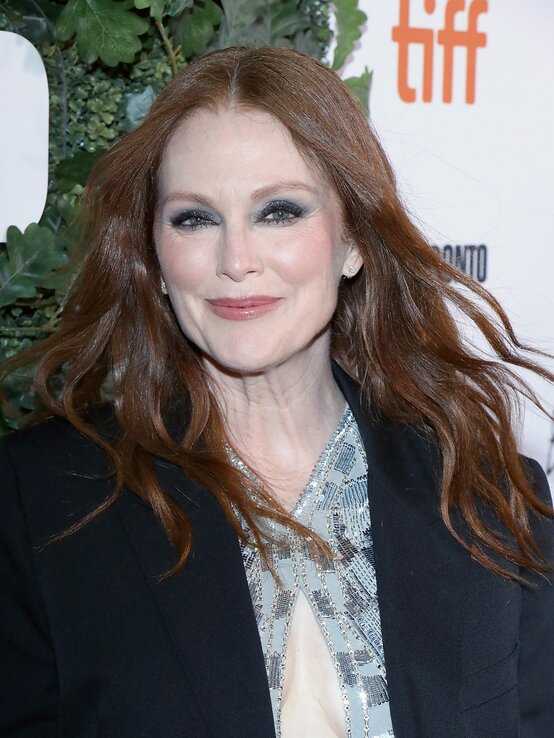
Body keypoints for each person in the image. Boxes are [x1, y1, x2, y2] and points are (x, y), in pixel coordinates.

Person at [0, 45, 553, 738]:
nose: (237, 260)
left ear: (352, 241)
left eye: (279, 212)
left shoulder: (487, 500)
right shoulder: (42, 502)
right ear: (155, 259)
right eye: (195, 219)